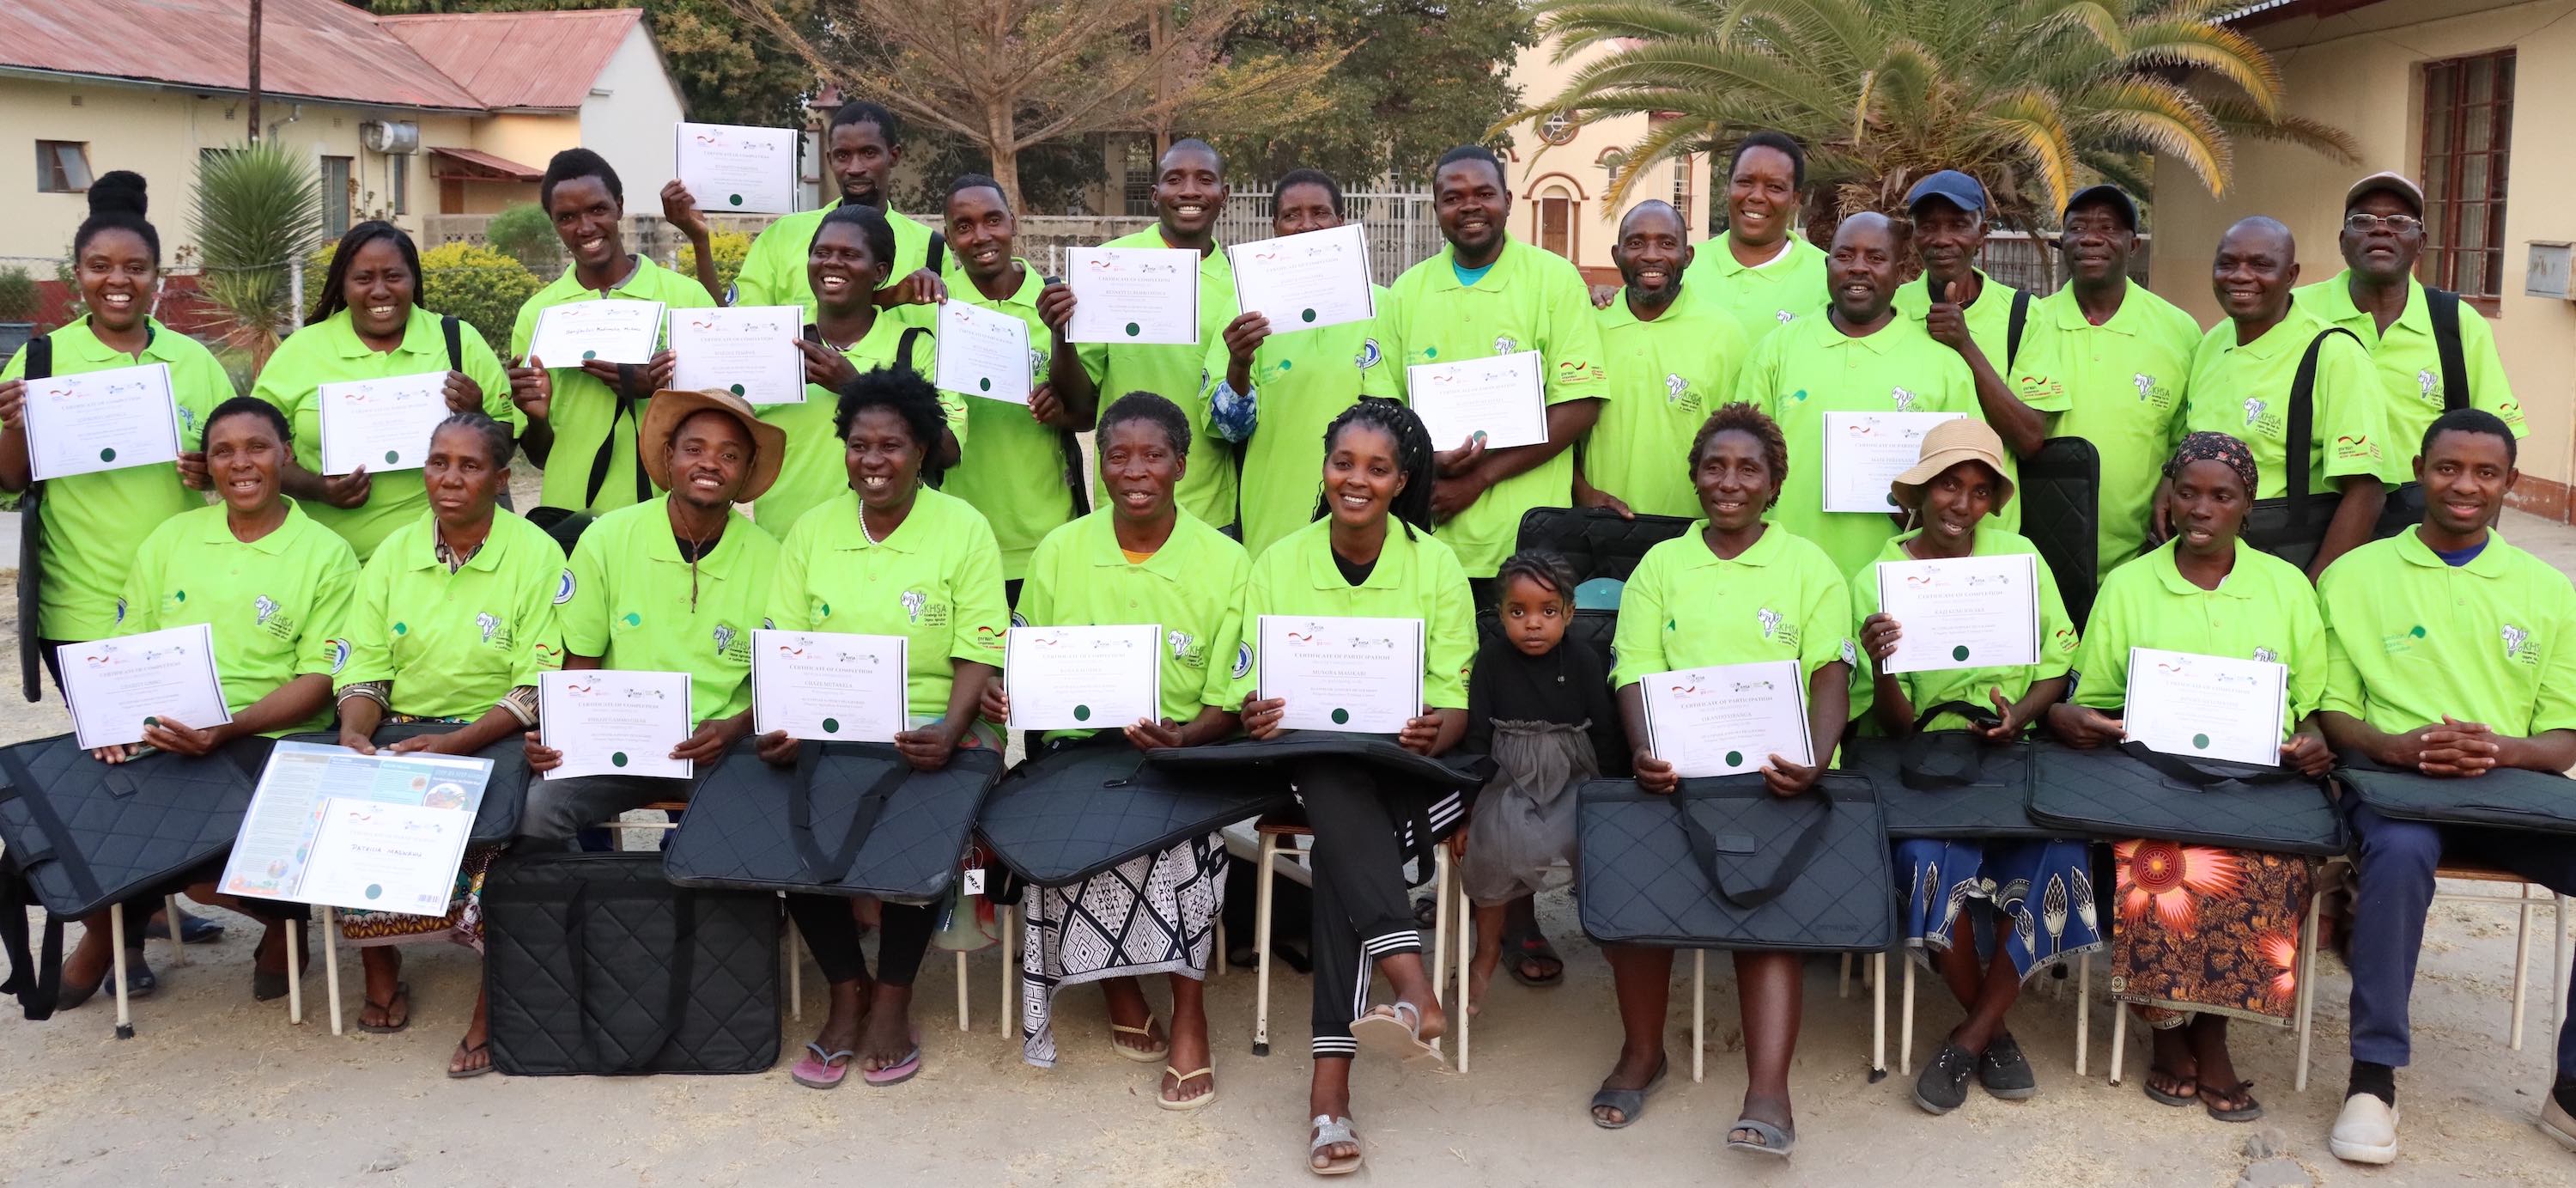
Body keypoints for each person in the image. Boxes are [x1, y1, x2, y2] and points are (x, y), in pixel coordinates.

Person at [2046, 431, 2336, 1125]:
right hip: (2153, 770)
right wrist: (2078, 719)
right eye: (2188, 492)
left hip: (2257, 775)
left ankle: (2214, 1030)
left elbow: (2316, 706)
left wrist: (2315, 741)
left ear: (2248, 505)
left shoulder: (2287, 587)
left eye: (2221, 495)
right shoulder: (2129, 583)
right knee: (2166, 858)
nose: (2201, 507)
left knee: (2268, 860)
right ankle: (2172, 1030)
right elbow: (2092, 697)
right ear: (2168, 497)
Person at [2314, 409, 2576, 1164]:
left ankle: (2573, 1094)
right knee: (2398, 855)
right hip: (2396, 788)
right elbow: (2332, 711)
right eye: (2448, 468)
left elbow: (2564, 736)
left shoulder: (2548, 590)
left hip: (2511, 793)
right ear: (2420, 474)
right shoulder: (2355, 576)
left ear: (2510, 484)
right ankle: (2373, 1081)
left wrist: (2504, 749)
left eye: (2485, 472)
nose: (2465, 485)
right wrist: (2394, 744)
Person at [1600, 402, 1854, 1154]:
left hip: (1782, 779)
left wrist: (1813, 757)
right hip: (1678, 778)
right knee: (1635, 892)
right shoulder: (1660, 567)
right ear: (1694, 477)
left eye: (1749, 468)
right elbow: (1633, 672)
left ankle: (1769, 1091)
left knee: (1769, 907)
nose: (1730, 481)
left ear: (1775, 483)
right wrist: (1647, 752)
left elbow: (1830, 676)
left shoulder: (1810, 566)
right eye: (1715, 466)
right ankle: (1643, 1054)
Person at [983, 392, 1249, 1108]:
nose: (1134, 470)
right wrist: (1011, 696)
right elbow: (1025, 657)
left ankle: (1189, 1013)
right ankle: (1119, 982)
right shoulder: (1061, 550)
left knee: (1178, 847)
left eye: (1153, 455)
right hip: (1077, 748)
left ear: (1182, 466)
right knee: (1064, 830)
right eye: (1117, 455)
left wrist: (1185, 737)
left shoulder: (1226, 562)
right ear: (1097, 465)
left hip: (1182, 751)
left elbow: (1230, 696)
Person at [1234, 398, 1472, 1175]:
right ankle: (1408, 983)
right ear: (1324, 468)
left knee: (1343, 826)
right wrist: (1257, 711)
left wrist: (1432, 725)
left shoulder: (1434, 566)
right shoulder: (1278, 561)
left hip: (1404, 772)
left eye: (1376, 468)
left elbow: (1456, 709)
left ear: (1402, 481)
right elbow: (1246, 685)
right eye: (1344, 463)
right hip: (1307, 765)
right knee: (1329, 775)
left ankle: (1330, 1088)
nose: (1356, 479)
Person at [63, 397, 357, 1005]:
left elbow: (319, 680)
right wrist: (111, 723)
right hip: (167, 726)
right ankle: (109, 922)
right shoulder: (173, 538)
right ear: (208, 463)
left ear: (286, 456)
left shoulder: (326, 553)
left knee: (187, 837)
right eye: (224, 450)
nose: (240, 463)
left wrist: (226, 728)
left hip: (270, 733)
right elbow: (124, 648)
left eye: (256, 447)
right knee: (83, 798)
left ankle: (277, 917)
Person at [762, 367, 1007, 1090]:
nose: (873, 461)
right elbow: (786, 645)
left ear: (926, 449)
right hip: (829, 719)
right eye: (859, 445)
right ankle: (846, 988)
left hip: (937, 720)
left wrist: (952, 724)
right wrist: (785, 724)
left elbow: (978, 648)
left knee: (919, 816)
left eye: (892, 446)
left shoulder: (964, 528)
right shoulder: (810, 531)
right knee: (787, 815)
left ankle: (893, 995)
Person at [1849, 417, 2092, 1114]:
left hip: (2010, 750)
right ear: (1920, 492)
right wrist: (1882, 662)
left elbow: (2055, 667)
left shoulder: (2019, 556)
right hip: (1923, 759)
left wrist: (2021, 712)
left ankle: (1970, 1035)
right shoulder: (1878, 577)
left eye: (1980, 491)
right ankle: (1994, 1030)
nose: (1962, 504)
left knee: (2061, 853)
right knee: (1926, 859)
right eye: (1949, 485)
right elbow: (1891, 723)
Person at [331, 411, 568, 1076]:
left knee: (499, 833)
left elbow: (536, 682)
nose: (451, 478)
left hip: (492, 727)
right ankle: (381, 965)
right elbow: (364, 664)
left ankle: (493, 1001)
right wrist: (356, 728)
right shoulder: (392, 553)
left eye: (469, 466)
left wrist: (459, 742)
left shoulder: (535, 554)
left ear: (500, 477)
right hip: (402, 725)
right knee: (349, 799)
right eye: (439, 462)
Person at [517, 389, 783, 843]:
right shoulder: (608, 538)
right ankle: (591, 905)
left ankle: (698, 902)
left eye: (730, 454)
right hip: (614, 741)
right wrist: (557, 730)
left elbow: (778, 681)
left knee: (749, 821)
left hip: (715, 748)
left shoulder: (772, 557)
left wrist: (734, 728)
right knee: (538, 813)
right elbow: (581, 658)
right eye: (694, 449)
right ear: (668, 455)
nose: (710, 464)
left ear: (746, 471)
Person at [0, 172, 230, 685]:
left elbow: (239, 463)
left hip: (184, 596)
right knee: (111, 750)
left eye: (135, 268)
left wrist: (209, 472)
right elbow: (11, 482)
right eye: (100, 267)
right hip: (80, 606)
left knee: (177, 748)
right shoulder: (41, 359)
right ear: (78, 271)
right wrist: (15, 426)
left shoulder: (194, 361)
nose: (118, 281)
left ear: (156, 274)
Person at [1368, 144, 1607, 590]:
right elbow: (1383, 412)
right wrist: (1424, 459)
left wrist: (1479, 478)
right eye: (1453, 197)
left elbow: (1580, 406)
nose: (1470, 206)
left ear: (1508, 202)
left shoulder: (1554, 281)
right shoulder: (1406, 293)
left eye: (1484, 193)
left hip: (1531, 549)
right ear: (1437, 206)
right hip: (1428, 543)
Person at [1733, 211, 1980, 580]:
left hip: (1901, 578)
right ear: (1827, 264)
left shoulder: (1945, 365)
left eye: (1876, 258)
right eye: (1845, 256)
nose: (1858, 268)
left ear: (1900, 272)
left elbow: (1970, 474)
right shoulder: (1776, 351)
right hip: (1785, 576)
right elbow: (1740, 458)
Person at [254, 221, 519, 562]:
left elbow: (507, 443)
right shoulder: (302, 350)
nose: (380, 291)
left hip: (446, 561)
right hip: (331, 564)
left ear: (413, 280)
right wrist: (318, 488)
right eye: (363, 279)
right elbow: (255, 450)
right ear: (343, 284)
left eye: (394, 276)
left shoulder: (457, 341)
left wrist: (477, 414)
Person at [506, 149, 717, 517]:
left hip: (672, 515)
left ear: (619, 206)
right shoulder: (536, 315)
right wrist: (536, 418)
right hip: (573, 519)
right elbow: (540, 457)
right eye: (567, 217)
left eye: (597, 209)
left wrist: (657, 390)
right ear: (552, 222)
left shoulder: (686, 298)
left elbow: (725, 416)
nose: (585, 227)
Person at [2290, 172, 2523, 506]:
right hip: (2314, 515)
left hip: (2421, 519)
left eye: (2399, 221)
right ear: (2342, 241)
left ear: (2422, 243)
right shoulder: (2296, 312)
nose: (2381, 228)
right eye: (2364, 219)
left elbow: (2497, 447)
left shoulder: (2457, 323)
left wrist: (2477, 549)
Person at [2176, 216, 2388, 580]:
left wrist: (2311, 589)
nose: (2241, 276)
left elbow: (2366, 492)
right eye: (2228, 263)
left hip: (2284, 557)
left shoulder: (2333, 353)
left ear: (2291, 275)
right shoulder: (2213, 341)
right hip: (2202, 562)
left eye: (2260, 265)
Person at [2014, 185, 2203, 583]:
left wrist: (2172, 480)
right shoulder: (2030, 324)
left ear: (2133, 244)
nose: (2091, 238)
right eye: (2078, 227)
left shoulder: (2178, 330)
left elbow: (2185, 435)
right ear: (2061, 242)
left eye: (2108, 227)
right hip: (2038, 555)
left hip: (2141, 562)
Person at [1048, 139, 1240, 529]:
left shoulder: (1242, 284)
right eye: (1175, 179)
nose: (1189, 191)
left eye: (1204, 179)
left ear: (1224, 194)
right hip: (1124, 495)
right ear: (1155, 195)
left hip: (1209, 504)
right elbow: (1081, 400)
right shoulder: (1111, 267)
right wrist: (1061, 334)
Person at [1206, 168, 1390, 560]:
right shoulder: (1244, 311)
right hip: (1275, 521)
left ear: (1341, 222)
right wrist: (1239, 363)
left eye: (1320, 213)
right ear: (1275, 227)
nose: (1306, 226)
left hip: (1369, 520)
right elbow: (1227, 429)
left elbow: (1399, 420)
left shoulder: (1384, 306)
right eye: (1291, 215)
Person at [1459, 550, 1617, 1005]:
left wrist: (1610, 798)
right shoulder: (1491, 659)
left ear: (1569, 612)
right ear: (1501, 613)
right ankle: (1488, 950)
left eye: (1548, 612)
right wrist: (1468, 812)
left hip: (1572, 774)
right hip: (1507, 774)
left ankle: (1615, 942)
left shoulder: (1585, 660)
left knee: (1593, 841)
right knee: (1494, 839)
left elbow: (1605, 732)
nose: (1533, 623)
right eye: (1518, 611)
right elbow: (1475, 737)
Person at [752, 202, 965, 539]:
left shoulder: (913, 349)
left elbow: (949, 450)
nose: (832, 262)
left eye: (850, 254)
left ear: (879, 271)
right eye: (821, 252)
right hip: (782, 542)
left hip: (889, 548)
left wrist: (858, 386)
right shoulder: (774, 337)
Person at [932, 173, 1090, 600]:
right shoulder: (936, 310)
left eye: (993, 220)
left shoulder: (1054, 299)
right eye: (964, 227)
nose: (981, 236)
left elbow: (1086, 414)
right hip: (962, 534)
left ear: (1014, 223)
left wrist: (1058, 350)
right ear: (948, 237)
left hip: (1046, 532)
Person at [1890, 170, 2045, 532]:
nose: (1942, 239)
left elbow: (2030, 438)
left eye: (1958, 224)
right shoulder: (1893, 310)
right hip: (1902, 527)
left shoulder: (2022, 315)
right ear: (1913, 235)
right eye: (1928, 225)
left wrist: (1964, 345)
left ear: (1982, 233)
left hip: (1988, 533)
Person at [1574, 199, 1749, 519]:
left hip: (1690, 531)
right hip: (1597, 525)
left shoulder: (1725, 334)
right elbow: (1561, 428)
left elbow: (1743, 443)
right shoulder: (1587, 324)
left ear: (1688, 256)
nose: (1651, 255)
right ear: (1617, 255)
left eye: (1666, 244)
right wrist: (1582, 491)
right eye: (1636, 243)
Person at [716, 100, 944, 313]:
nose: (855, 168)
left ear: (893, 156)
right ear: (829, 159)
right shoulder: (782, 235)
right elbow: (742, 323)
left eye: (869, 153)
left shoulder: (930, 247)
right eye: (843, 155)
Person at [1606, 131, 1827, 346]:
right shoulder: (1681, 265)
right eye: (1745, 182)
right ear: (1727, 188)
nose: (1757, 196)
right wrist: (1607, 300)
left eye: (1775, 187)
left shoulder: (1827, 276)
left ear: (1795, 199)